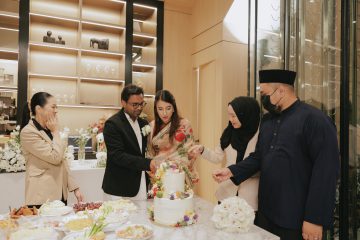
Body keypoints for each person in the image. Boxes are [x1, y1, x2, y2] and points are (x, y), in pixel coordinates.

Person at [212, 69, 340, 240]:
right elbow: (259, 157)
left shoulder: (315, 120)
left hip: (297, 216)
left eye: (264, 93)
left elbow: (326, 172)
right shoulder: (267, 121)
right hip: (267, 213)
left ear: (281, 91)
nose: (263, 99)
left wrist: (314, 219)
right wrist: (232, 171)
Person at [188, 96, 260, 208]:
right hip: (227, 192)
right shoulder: (229, 132)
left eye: (234, 116)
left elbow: (259, 164)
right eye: (229, 115)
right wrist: (202, 150)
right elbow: (217, 157)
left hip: (249, 197)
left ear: (245, 115)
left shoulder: (261, 136)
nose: (231, 119)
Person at [20, 92, 83, 207]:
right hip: (42, 196)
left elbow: (62, 160)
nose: (56, 110)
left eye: (56, 107)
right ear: (39, 109)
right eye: (53, 107)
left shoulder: (49, 128)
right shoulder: (28, 132)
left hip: (60, 194)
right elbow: (55, 157)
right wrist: (56, 132)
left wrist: (75, 188)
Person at [102, 85, 156, 200]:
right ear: (123, 102)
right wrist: (147, 163)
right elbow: (118, 156)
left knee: (141, 216)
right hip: (119, 187)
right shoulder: (113, 124)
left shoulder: (143, 123)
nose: (139, 108)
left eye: (141, 104)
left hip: (140, 182)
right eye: (134, 104)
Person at [146, 90, 198, 183]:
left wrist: (170, 165)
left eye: (168, 108)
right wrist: (157, 167)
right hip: (157, 174)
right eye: (160, 109)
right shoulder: (151, 126)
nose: (164, 113)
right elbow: (148, 152)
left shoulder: (184, 124)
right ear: (156, 110)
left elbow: (190, 151)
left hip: (179, 175)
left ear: (174, 108)